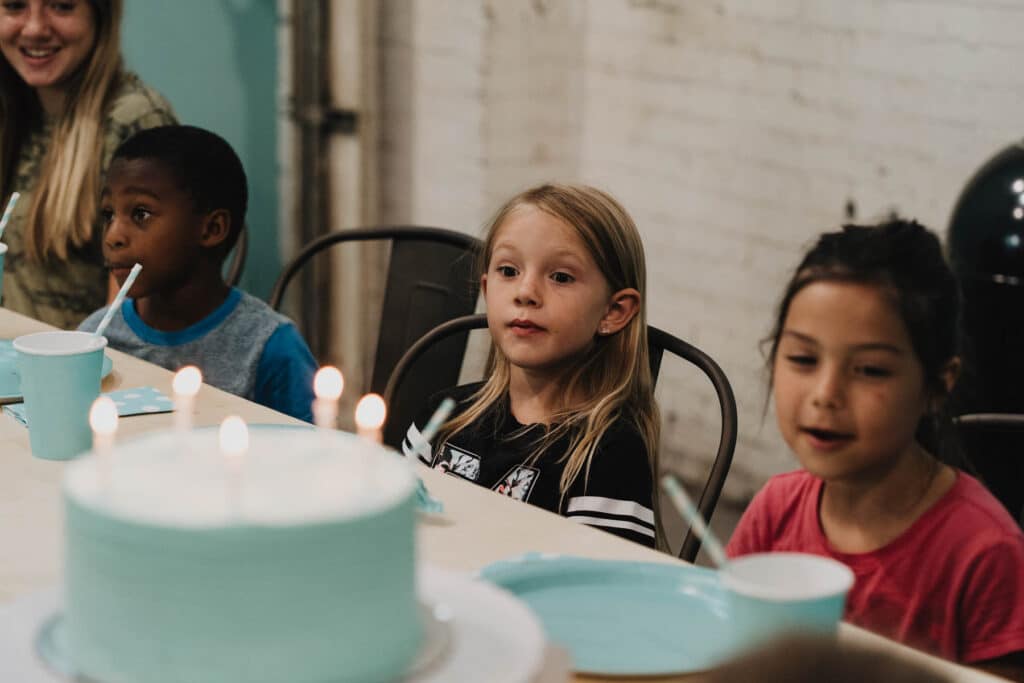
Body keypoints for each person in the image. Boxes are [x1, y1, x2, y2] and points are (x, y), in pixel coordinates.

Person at [727, 219, 1024, 678]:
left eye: (869, 369)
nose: (825, 394)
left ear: (937, 386)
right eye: (804, 359)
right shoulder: (775, 509)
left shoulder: (985, 551)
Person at [402, 183, 660, 547]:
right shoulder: (442, 416)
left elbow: (594, 593)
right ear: (488, 289)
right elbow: (394, 532)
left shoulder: (607, 457)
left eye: (561, 277)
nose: (525, 292)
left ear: (613, 311)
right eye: (509, 270)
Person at [78, 125, 316, 423]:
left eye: (141, 214)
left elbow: (312, 454)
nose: (113, 236)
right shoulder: (98, 337)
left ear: (212, 229)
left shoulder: (268, 349)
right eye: (108, 214)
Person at [0, 0, 176, 329]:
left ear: (100, 18)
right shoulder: (14, 110)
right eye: (14, 6)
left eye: (62, 7)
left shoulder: (133, 122)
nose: (35, 28)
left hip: (80, 368)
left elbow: (133, 310)